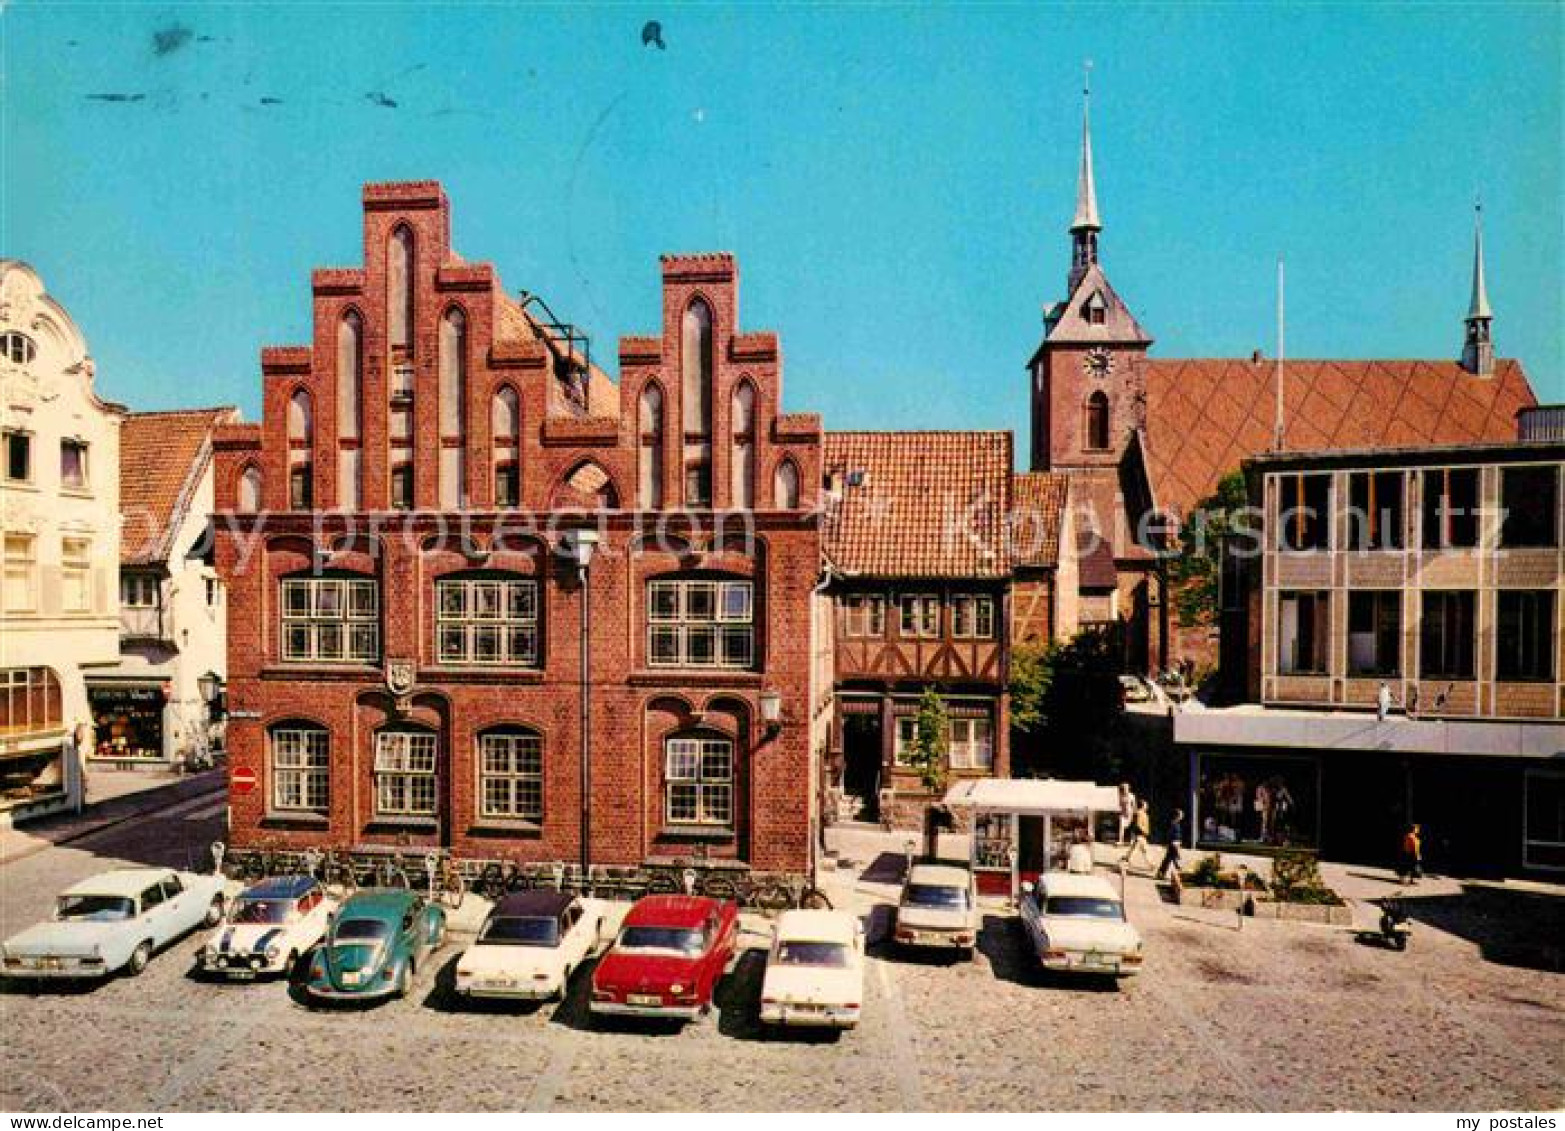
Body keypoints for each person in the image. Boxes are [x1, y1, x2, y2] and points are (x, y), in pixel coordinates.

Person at [1122, 801, 1152, 870]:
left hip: (1141, 835)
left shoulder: (1142, 814)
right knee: (1137, 850)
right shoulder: (1139, 813)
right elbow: (1138, 824)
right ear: (1142, 806)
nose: (1147, 806)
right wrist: (1144, 831)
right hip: (1140, 835)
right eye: (1145, 805)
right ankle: (1126, 861)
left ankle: (1151, 864)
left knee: (1143, 850)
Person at [1156, 808, 1185, 880]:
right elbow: (1171, 835)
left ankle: (1161, 873)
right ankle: (1181, 875)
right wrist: (1174, 843)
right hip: (1174, 844)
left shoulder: (1175, 823)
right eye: (1181, 814)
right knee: (1176, 860)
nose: (1182, 815)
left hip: (1174, 844)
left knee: (1169, 859)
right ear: (1177, 816)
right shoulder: (1174, 824)